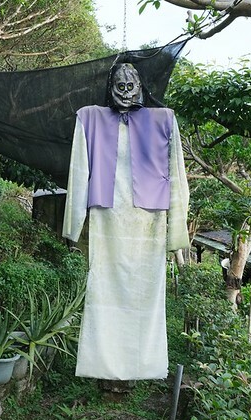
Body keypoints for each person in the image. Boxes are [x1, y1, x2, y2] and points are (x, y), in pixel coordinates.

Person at [62, 59, 189, 381]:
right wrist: (73, 227)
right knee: (102, 289)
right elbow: (78, 173)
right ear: (110, 88)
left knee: (146, 294)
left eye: (131, 85)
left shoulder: (164, 120)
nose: (125, 91)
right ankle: (101, 365)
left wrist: (176, 234)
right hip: (106, 217)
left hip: (149, 220)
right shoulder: (89, 118)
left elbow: (177, 176)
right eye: (119, 85)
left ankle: (143, 365)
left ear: (141, 88)